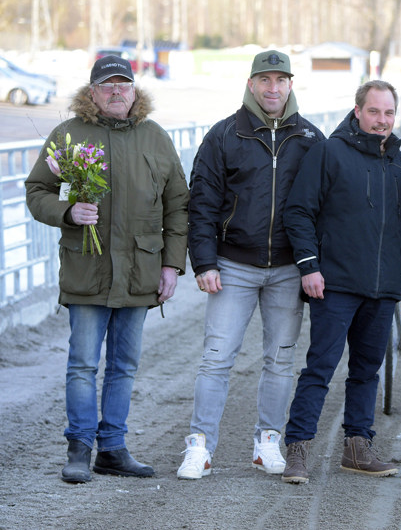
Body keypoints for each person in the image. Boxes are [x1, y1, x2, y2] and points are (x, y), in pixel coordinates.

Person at [25, 55, 189, 483]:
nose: (117, 91)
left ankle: (112, 449)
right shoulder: (68, 135)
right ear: (93, 92)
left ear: (134, 90)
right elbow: (37, 191)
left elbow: (178, 205)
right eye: (108, 84)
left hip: (139, 270)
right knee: (82, 364)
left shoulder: (155, 137)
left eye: (124, 84)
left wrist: (172, 265)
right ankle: (79, 448)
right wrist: (67, 211)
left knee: (124, 365)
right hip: (87, 269)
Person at [177, 50, 325, 480]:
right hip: (233, 265)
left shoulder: (311, 138)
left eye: (280, 80)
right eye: (265, 80)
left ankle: (267, 442)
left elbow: (323, 207)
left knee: (280, 360)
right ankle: (200, 447)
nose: (272, 88)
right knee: (216, 357)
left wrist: (312, 264)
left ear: (291, 85)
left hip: (287, 268)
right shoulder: (224, 135)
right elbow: (202, 203)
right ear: (251, 84)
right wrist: (204, 262)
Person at [280, 80, 401, 484]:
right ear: (357, 111)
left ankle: (357, 448)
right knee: (320, 368)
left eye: (389, 113)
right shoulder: (329, 153)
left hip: (382, 289)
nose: (382, 120)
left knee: (366, 371)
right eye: (374, 111)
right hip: (335, 284)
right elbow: (298, 212)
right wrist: (309, 266)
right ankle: (298, 450)